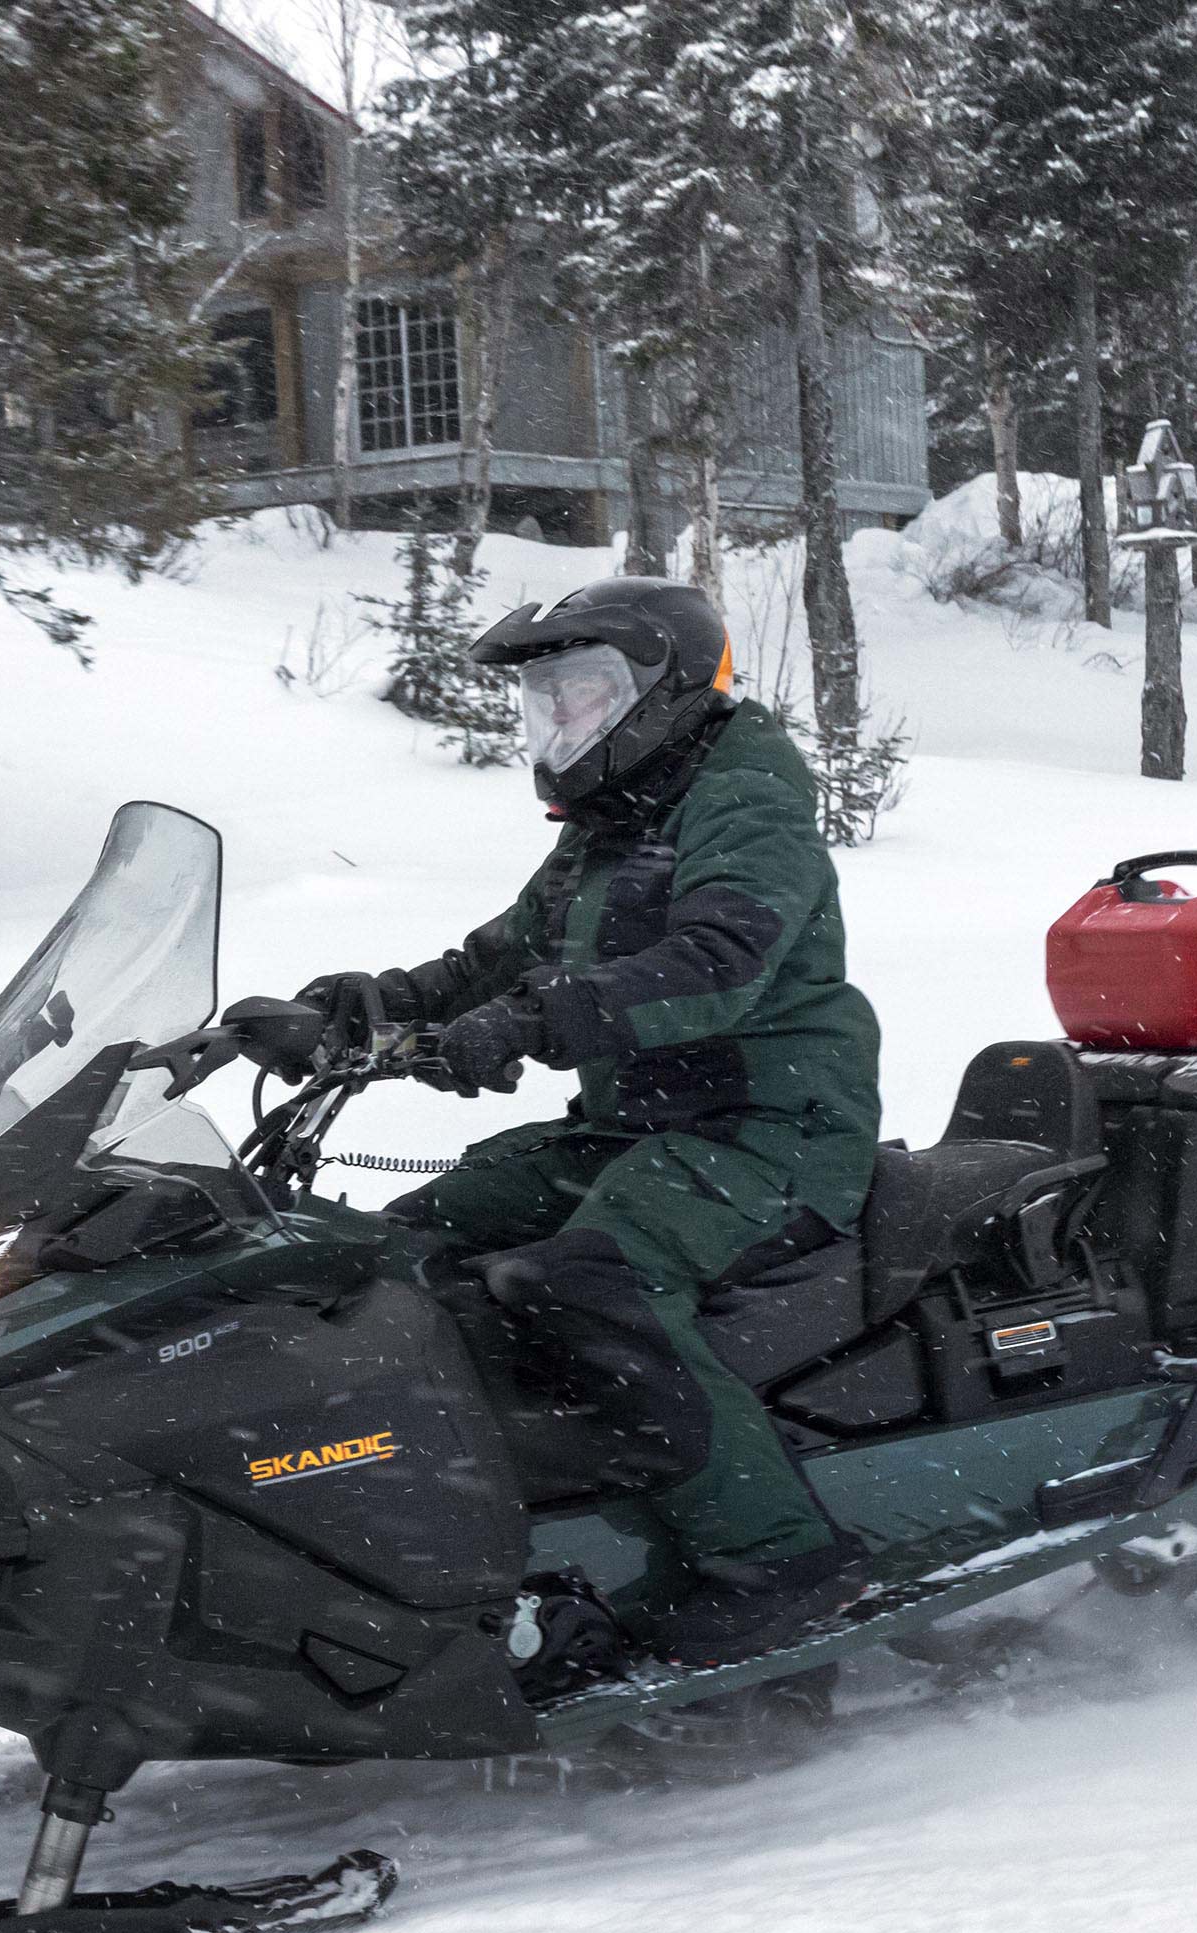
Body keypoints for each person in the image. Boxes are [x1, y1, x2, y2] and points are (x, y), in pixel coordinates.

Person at [294, 576, 880, 1668]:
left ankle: (779, 1556)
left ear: (665, 690)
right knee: (397, 1249)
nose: (562, 721)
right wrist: (363, 1009)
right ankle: (478, 1523)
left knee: (584, 1279)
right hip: (637, 1126)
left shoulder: (743, 800)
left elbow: (717, 965)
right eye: (548, 699)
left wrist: (529, 1023)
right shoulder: (617, 817)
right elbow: (501, 956)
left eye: (587, 691)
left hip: (771, 1130)